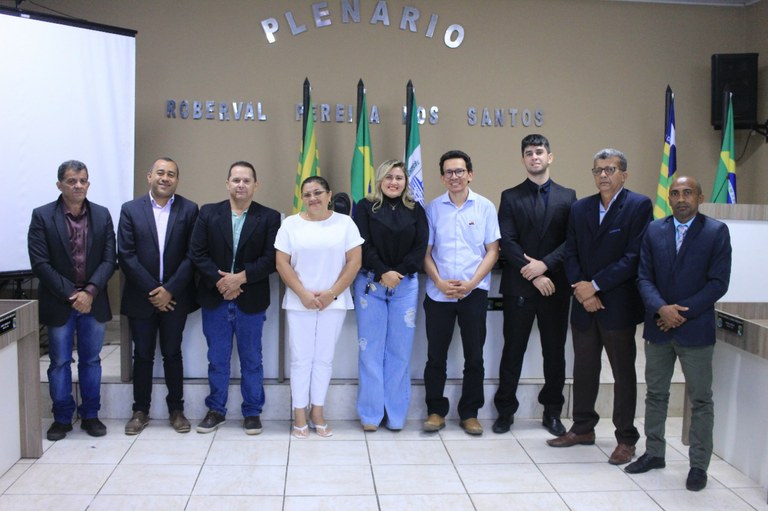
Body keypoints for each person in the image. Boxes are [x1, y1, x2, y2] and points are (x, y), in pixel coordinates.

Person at [548, 148, 652, 467]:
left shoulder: (638, 206)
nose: (603, 175)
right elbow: (571, 252)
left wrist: (595, 285)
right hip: (583, 303)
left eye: (610, 169)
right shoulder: (580, 208)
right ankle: (582, 428)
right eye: (598, 170)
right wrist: (583, 289)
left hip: (617, 304)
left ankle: (626, 438)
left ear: (624, 174)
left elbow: (633, 257)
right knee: (584, 369)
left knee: (622, 373)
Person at [626, 176, 731, 492]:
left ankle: (698, 465)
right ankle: (654, 453)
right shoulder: (653, 230)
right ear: (668, 198)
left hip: (695, 330)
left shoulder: (715, 232)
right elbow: (643, 277)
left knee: (700, 399)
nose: (681, 198)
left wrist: (679, 313)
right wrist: (662, 309)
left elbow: (718, 282)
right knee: (656, 394)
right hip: (658, 328)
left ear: (700, 197)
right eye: (675, 193)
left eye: (688, 193)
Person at [493, 134, 576, 436]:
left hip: (555, 287)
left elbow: (572, 241)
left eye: (539, 152)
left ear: (550, 157)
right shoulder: (510, 196)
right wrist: (534, 273)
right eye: (529, 153)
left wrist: (546, 266)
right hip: (520, 287)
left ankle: (552, 412)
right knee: (512, 351)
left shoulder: (568, 197)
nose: (534, 157)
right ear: (523, 159)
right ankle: (505, 412)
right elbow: (507, 241)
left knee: (554, 353)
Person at [188, 161, 280, 435]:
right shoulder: (208, 213)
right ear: (227, 183)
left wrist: (240, 278)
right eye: (236, 180)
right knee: (217, 359)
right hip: (215, 298)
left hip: (250, 299)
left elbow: (271, 259)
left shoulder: (269, 217)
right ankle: (216, 410)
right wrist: (223, 283)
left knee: (252, 359)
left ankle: (252, 412)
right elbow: (197, 253)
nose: (241, 185)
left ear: (255, 185)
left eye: (246, 180)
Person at [28, 160, 117, 440]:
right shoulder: (42, 216)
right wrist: (72, 294)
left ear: (88, 183)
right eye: (71, 181)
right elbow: (40, 263)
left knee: (91, 361)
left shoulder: (102, 215)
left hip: (93, 301)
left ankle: (90, 415)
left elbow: (109, 259)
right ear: (60, 185)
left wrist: (89, 292)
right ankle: (62, 418)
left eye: (83, 180)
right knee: (59, 363)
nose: (78, 185)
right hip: (59, 302)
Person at [275, 176, 363, 438]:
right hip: (299, 302)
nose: (313, 198)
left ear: (329, 195)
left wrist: (331, 294)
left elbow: (354, 262)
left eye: (318, 193)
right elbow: (282, 263)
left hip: (333, 303)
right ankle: (299, 414)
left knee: (324, 359)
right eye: (307, 194)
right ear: (301, 198)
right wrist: (303, 294)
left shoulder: (345, 223)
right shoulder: (290, 225)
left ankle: (317, 412)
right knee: (301, 359)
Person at [118, 157, 199, 435]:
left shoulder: (189, 210)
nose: (165, 178)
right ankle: (140, 411)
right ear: (149, 176)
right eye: (160, 173)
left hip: (175, 297)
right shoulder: (130, 210)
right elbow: (126, 255)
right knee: (142, 355)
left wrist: (170, 290)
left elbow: (193, 255)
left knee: (172, 353)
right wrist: (154, 291)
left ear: (177, 180)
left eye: (171, 174)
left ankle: (176, 410)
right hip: (142, 296)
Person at [422, 150, 500, 436]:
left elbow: (492, 251)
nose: (454, 176)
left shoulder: (485, 207)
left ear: (470, 174)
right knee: (435, 357)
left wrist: (471, 283)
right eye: (449, 172)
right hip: (439, 293)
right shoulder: (432, 209)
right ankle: (435, 411)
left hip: (473, 293)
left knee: (474, 357)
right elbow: (425, 253)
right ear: (442, 178)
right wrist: (440, 282)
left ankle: (470, 413)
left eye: (459, 171)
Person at [352, 160, 428, 432]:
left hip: (404, 286)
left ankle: (396, 416)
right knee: (370, 351)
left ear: (406, 182)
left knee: (400, 352)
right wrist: (384, 271)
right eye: (389, 177)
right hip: (371, 284)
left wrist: (399, 272)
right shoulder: (364, 207)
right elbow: (362, 244)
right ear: (380, 180)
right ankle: (370, 415)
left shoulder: (416, 209)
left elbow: (420, 247)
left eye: (399, 177)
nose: (394, 182)